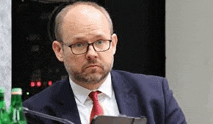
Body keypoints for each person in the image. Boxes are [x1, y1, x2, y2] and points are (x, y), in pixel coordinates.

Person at [23, 1, 186, 124]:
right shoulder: (35, 111)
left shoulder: (155, 94)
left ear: (113, 44)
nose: (92, 54)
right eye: (79, 45)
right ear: (59, 50)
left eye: (100, 42)